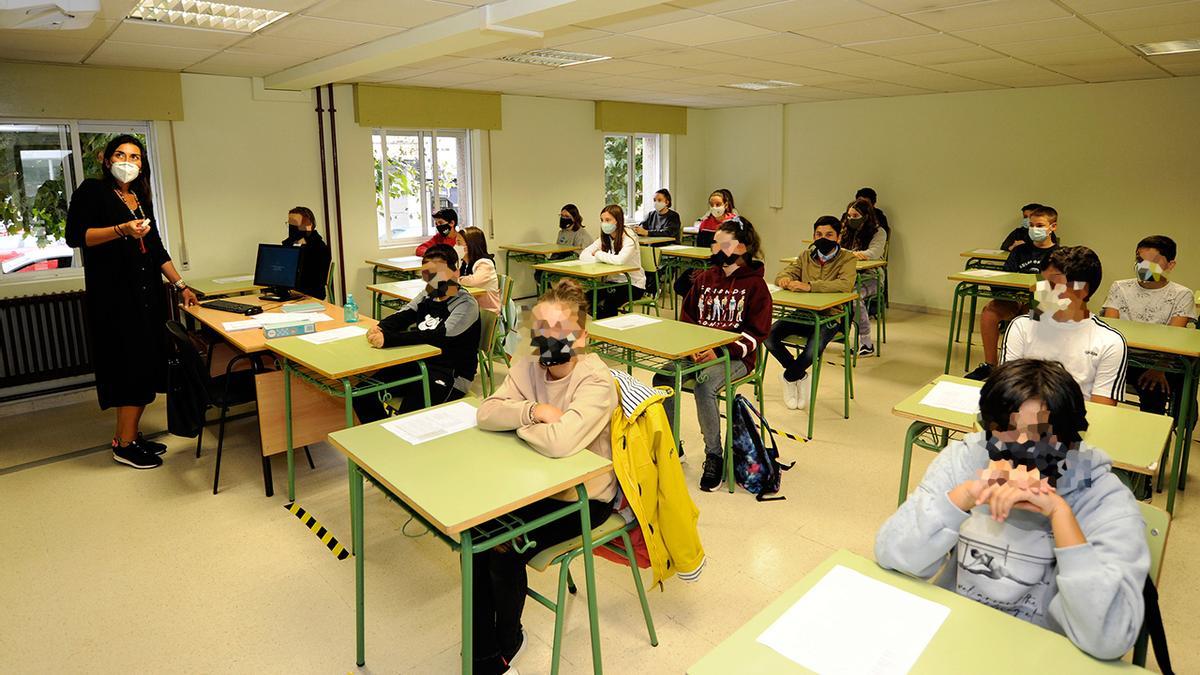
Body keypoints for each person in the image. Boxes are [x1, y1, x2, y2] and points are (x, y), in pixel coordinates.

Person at [876, 358, 1148, 660]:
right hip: (956, 636)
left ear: (1071, 442)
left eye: (1041, 440)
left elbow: (1108, 639)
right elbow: (892, 554)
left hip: (1046, 654)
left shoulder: (1100, 494)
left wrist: (1061, 516)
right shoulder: (965, 461)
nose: (1022, 452)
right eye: (1006, 434)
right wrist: (962, 497)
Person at [474, 279, 617, 675]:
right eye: (541, 329)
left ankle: (499, 651)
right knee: (476, 537)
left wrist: (518, 419)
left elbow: (560, 443)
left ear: (582, 336)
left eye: (559, 330)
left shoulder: (595, 379)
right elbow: (486, 414)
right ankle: (487, 652)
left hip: (584, 500)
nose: (548, 339)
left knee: (499, 548)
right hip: (531, 486)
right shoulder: (528, 366)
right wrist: (534, 412)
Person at [65, 134, 198, 470]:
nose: (129, 162)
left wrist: (180, 285)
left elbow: (155, 249)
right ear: (107, 160)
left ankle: (130, 434)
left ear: (143, 164)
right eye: (121, 155)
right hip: (115, 299)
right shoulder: (93, 192)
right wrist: (121, 229)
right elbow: (76, 237)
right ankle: (123, 445)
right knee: (129, 369)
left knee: (145, 364)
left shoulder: (139, 197)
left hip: (146, 298)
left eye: (136, 157)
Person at [654, 217, 772, 491]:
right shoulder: (705, 278)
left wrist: (719, 349)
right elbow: (688, 318)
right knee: (662, 378)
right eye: (714, 243)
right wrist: (695, 348)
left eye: (722, 243)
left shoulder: (756, 287)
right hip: (697, 352)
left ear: (741, 247)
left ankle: (714, 455)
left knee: (705, 386)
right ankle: (672, 447)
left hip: (736, 358)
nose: (714, 248)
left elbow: (757, 333)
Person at [354, 245, 480, 423]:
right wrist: (382, 327)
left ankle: (400, 443)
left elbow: (437, 336)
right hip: (418, 363)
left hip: (449, 373)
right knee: (362, 393)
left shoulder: (465, 304)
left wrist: (389, 339)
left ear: (455, 271)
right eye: (427, 273)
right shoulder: (429, 293)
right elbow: (406, 314)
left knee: (410, 417)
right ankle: (383, 440)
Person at [1001, 246, 1126, 405]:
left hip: (1076, 423)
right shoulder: (1022, 325)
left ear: (1082, 291)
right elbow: (1007, 391)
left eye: (1052, 285)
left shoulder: (1110, 342)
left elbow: (1102, 410)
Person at [1101, 235, 1196, 418]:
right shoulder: (1120, 287)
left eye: (1153, 262)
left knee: (1155, 390)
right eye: (1140, 260)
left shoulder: (1181, 294)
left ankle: (1152, 437)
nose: (1144, 266)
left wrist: (1159, 368)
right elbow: (1110, 329)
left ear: (1170, 265)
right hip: (1120, 357)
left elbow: (1175, 338)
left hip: (1158, 362)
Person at [768, 216, 856, 411]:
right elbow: (784, 273)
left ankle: (789, 377)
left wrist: (809, 286)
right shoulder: (806, 255)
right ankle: (798, 374)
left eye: (829, 235)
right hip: (804, 313)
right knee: (768, 336)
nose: (823, 238)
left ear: (838, 237)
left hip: (832, 315)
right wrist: (784, 280)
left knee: (810, 352)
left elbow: (845, 284)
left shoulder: (848, 258)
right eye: (818, 234)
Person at [966, 205, 1061, 381]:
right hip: (1014, 299)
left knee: (1031, 316)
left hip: (1041, 304)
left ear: (1052, 227)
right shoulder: (1019, 251)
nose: (1034, 229)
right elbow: (1006, 277)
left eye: (1039, 226)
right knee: (989, 313)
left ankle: (1022, 367)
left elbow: (1056, 289)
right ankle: (990, 365)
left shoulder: (1059, 255)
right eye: (1031, 225)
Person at [578, 204, 646, 318]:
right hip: (612, 283)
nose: (604, 223)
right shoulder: (606, 237)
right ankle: (600, 323)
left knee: (607, 303)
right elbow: (584, 255)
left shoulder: (629, 237)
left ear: (618, 221)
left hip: (633, 284)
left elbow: (620, 260)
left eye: (608, 220)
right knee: (584, 299)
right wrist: (603, 259)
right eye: (602, 220)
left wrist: (599, 254)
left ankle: (608, 329)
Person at [841, 198, 888, 357]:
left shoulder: (879, 232)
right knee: (832, 292)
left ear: (866, 216)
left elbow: (871, 254)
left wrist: (845, 254)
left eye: (855, 216)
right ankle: (838, 334)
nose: (851, 220)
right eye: (849, 216)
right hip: (849, 276)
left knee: (853, 296)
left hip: (872, 276)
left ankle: (866, 343)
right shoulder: (845, 231)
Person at [281, 206, 331, 300]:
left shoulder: (320, 248)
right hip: (292, 294)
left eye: (295, 224)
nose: (291, 227)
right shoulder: (291, 243)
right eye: (289, 223)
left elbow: (315, 282)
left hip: (310, 296)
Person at [458, 226, 501, 312]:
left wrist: (458, 279)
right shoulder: (469, 261)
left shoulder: (485, 263)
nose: (459, 247)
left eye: (460, 243)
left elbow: (473, 281)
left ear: (471, 245)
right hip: (473, 307)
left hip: (487, 312)